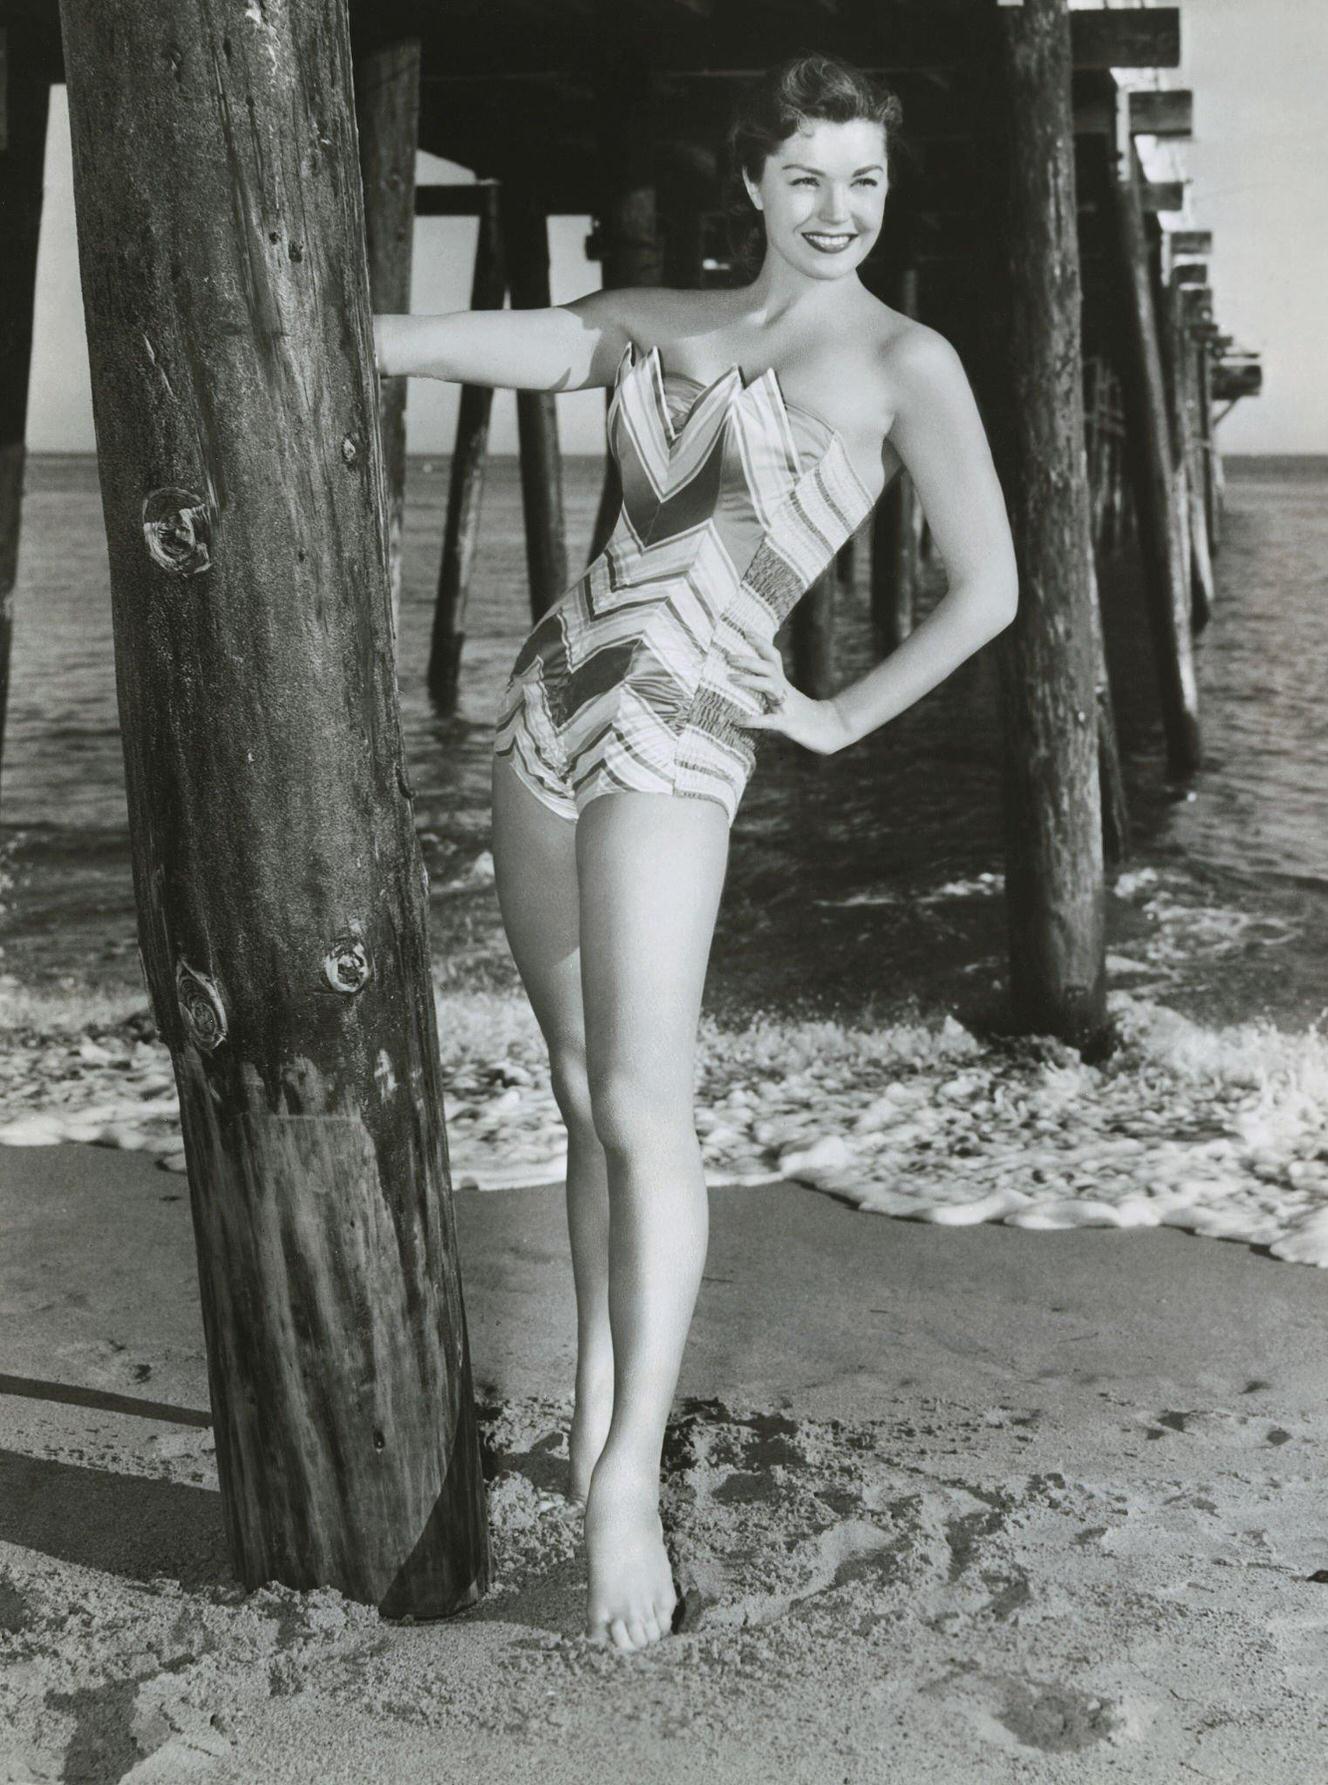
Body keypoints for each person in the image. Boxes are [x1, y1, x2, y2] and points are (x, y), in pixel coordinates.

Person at [373, 49, 1018, 1655]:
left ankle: (628, 1491)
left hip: (679, 739)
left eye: (863, 178)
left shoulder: (906, 361)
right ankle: (601, 1423)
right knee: (585, 1094)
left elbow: (990, 588)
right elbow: (525, 346)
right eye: (807, 175)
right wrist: (362, 336)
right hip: (549, 718)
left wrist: (841, 720)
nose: (837, 207)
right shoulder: (669, 319)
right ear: (754, 182)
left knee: (652, 1110)